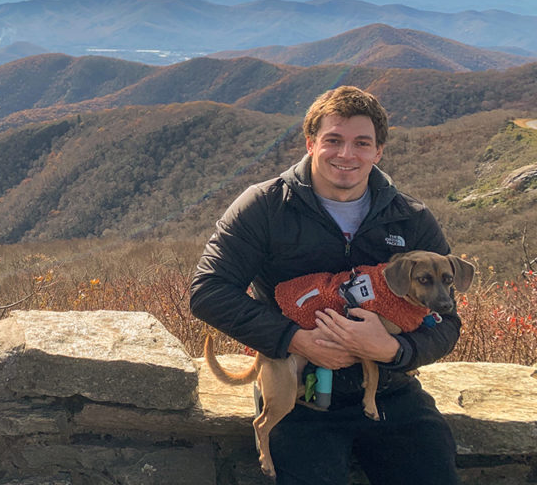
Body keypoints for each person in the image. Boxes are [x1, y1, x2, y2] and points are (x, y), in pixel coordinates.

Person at [190, 86, 461, 484]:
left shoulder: (411, 219)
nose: (346, 154)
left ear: (378, 151)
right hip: (301, 395)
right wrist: (294, 338)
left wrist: (393, 349)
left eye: (361, 143)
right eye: (333, 140)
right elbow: (208, 291)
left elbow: (447, 323)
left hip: (389, 391)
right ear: (311, 142)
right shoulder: (264, 207)